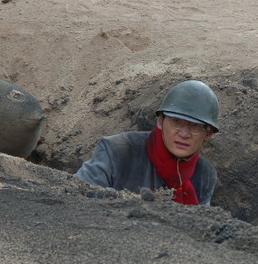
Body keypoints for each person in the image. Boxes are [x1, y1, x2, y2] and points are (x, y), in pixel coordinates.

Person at [76, 80, 219, 205]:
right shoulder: (116, 151)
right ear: (160, 121)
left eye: (195, 126)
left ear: (208, 134)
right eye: (176, 121)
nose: (184, 134)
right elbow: (74, 199)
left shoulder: (204, 175)